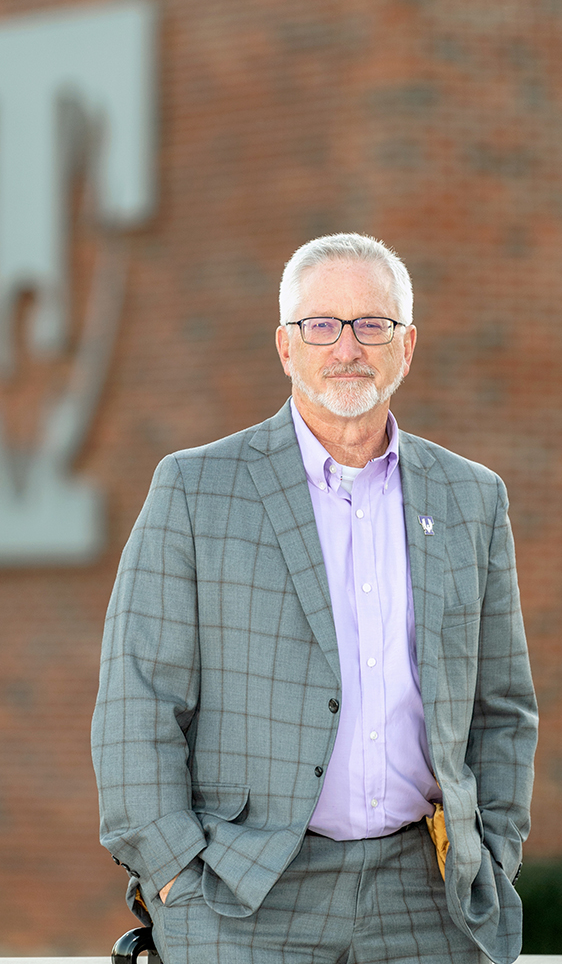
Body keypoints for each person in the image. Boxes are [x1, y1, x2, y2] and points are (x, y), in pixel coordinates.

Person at [92, 233, 538, 964]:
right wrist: (173, 872)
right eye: (321, 325)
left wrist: (492, 850)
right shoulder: (197, 489)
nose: (348, 347)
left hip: (425, 898)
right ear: (286, 347)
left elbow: (502, 704)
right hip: (245, 896)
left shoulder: (472, 499)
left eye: (373, 325)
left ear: (407, 345)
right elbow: (136, 699)